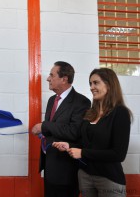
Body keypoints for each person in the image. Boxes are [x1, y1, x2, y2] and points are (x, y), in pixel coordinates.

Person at [53, 68, 132, 197]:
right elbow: (86, 143)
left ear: (110, 85)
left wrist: (82, 153)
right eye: (90, 83)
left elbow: (118, 154)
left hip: (108, 178)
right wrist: (70, 146)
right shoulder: (90, 113)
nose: (91, 87)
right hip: (85, 175)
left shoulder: (120, 113)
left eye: (96, 83)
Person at [31, 61, 91, 197]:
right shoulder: (52, 100)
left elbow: (73, 131)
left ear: (64, 79)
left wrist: (43, 126)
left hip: (66, 170)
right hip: (49, 165)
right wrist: (42, 131)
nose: (48, 78)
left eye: (52, 75)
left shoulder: (82, 102)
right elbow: (53, 129)